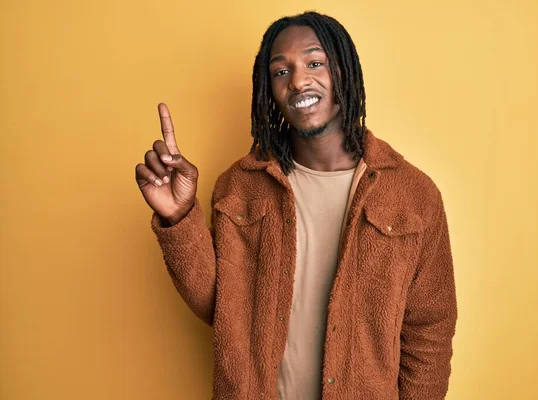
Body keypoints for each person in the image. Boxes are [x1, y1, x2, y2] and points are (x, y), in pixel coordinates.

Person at [135, 11, 457, 400]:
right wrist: (178, 217)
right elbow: (223, 310)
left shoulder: (413, 194)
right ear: (268, 89)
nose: (299, 80)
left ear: (345, 71)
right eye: (280, 72)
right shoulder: (240, 185)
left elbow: (430, 331)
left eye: (315, 62)